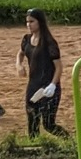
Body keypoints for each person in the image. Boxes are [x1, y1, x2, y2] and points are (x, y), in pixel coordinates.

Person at [19, 9, 66, 138]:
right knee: (32, 122)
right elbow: (21, 53)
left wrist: (52, 85)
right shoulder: (27, 39)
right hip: (33, 85)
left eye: (32, 21)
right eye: (27, 22)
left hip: (48, 87)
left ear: (40, 22)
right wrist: (19, 65)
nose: (29, 24)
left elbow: (58, 67)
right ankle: (34, 146)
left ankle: (70, 141)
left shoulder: (49, 43)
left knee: (48, 124)